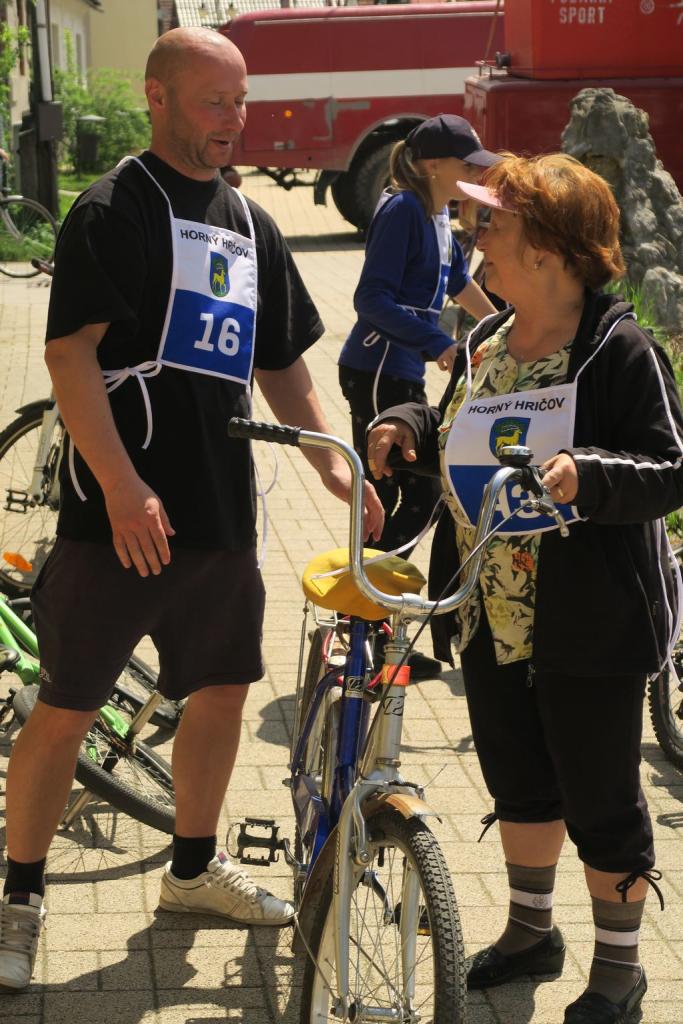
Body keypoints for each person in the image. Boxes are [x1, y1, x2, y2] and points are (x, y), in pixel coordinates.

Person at [0, 27, 383, 991]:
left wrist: (329, 461)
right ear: (158, 97)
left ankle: (191, 871)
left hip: (218, 511)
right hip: (117, 517)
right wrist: (122, 485)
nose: (234, 119)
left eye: (240, 100)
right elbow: (69, 355)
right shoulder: (113, 207)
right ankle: (20, 895)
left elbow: (282, 359)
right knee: (66, 707)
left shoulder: (248, 219)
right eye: (215, 101)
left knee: (219, 693)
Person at [366, 153, 683, 1024]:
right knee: (519, 779)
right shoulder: (486, 340)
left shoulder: (618, 350)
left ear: (546, 246)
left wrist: (592, 473)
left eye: (492, 221)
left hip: (589, 621)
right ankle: (529, 933)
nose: (475, 234)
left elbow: (669, 468)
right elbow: (462, 428)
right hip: (488, 611)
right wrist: (407, 423)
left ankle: (619, 970)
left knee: (602, 799)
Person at [338, 114, 500, 679]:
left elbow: (458, 283)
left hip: (401, 373)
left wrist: (504, 327)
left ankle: (371, 626)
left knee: (419, 493)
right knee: (408, 493)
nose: (475, 174)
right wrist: (439, 344)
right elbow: (370, 299)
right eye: (466, 165)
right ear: (432, 164)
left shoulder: (437, 215)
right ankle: (362, 629)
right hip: (376, 370)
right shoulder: (403, 209)